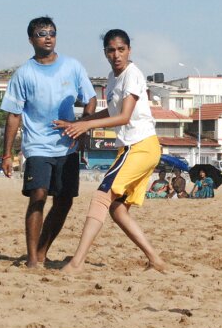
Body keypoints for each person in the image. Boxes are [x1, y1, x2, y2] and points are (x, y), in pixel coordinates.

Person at [54, 29, 166, 273]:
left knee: (102, 196)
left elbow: (124, 117)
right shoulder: (113, 78)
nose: (116, 55)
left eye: (121, 49)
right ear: (105, 52)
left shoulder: (132, 75)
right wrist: (80, 122)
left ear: (129, 50)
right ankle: (155, 260)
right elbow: (113, 111)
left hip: (140, 146)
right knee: (117, 209)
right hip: (130, 148)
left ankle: (77, 262)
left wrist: (87, 124)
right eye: (111, 50)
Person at [0, 16, 97, 269]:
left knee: (64, 201)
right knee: (39, 195)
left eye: (52, 33)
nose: (48, 37)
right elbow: (13, 115)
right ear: (31, 39)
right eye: (42, 33)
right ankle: (32, 258)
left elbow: (90, 99)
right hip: (37, 146)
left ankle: (43, 250)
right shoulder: (24, 74)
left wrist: (83, 125)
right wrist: (7, 154)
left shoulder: (72, 67)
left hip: (68, 147)